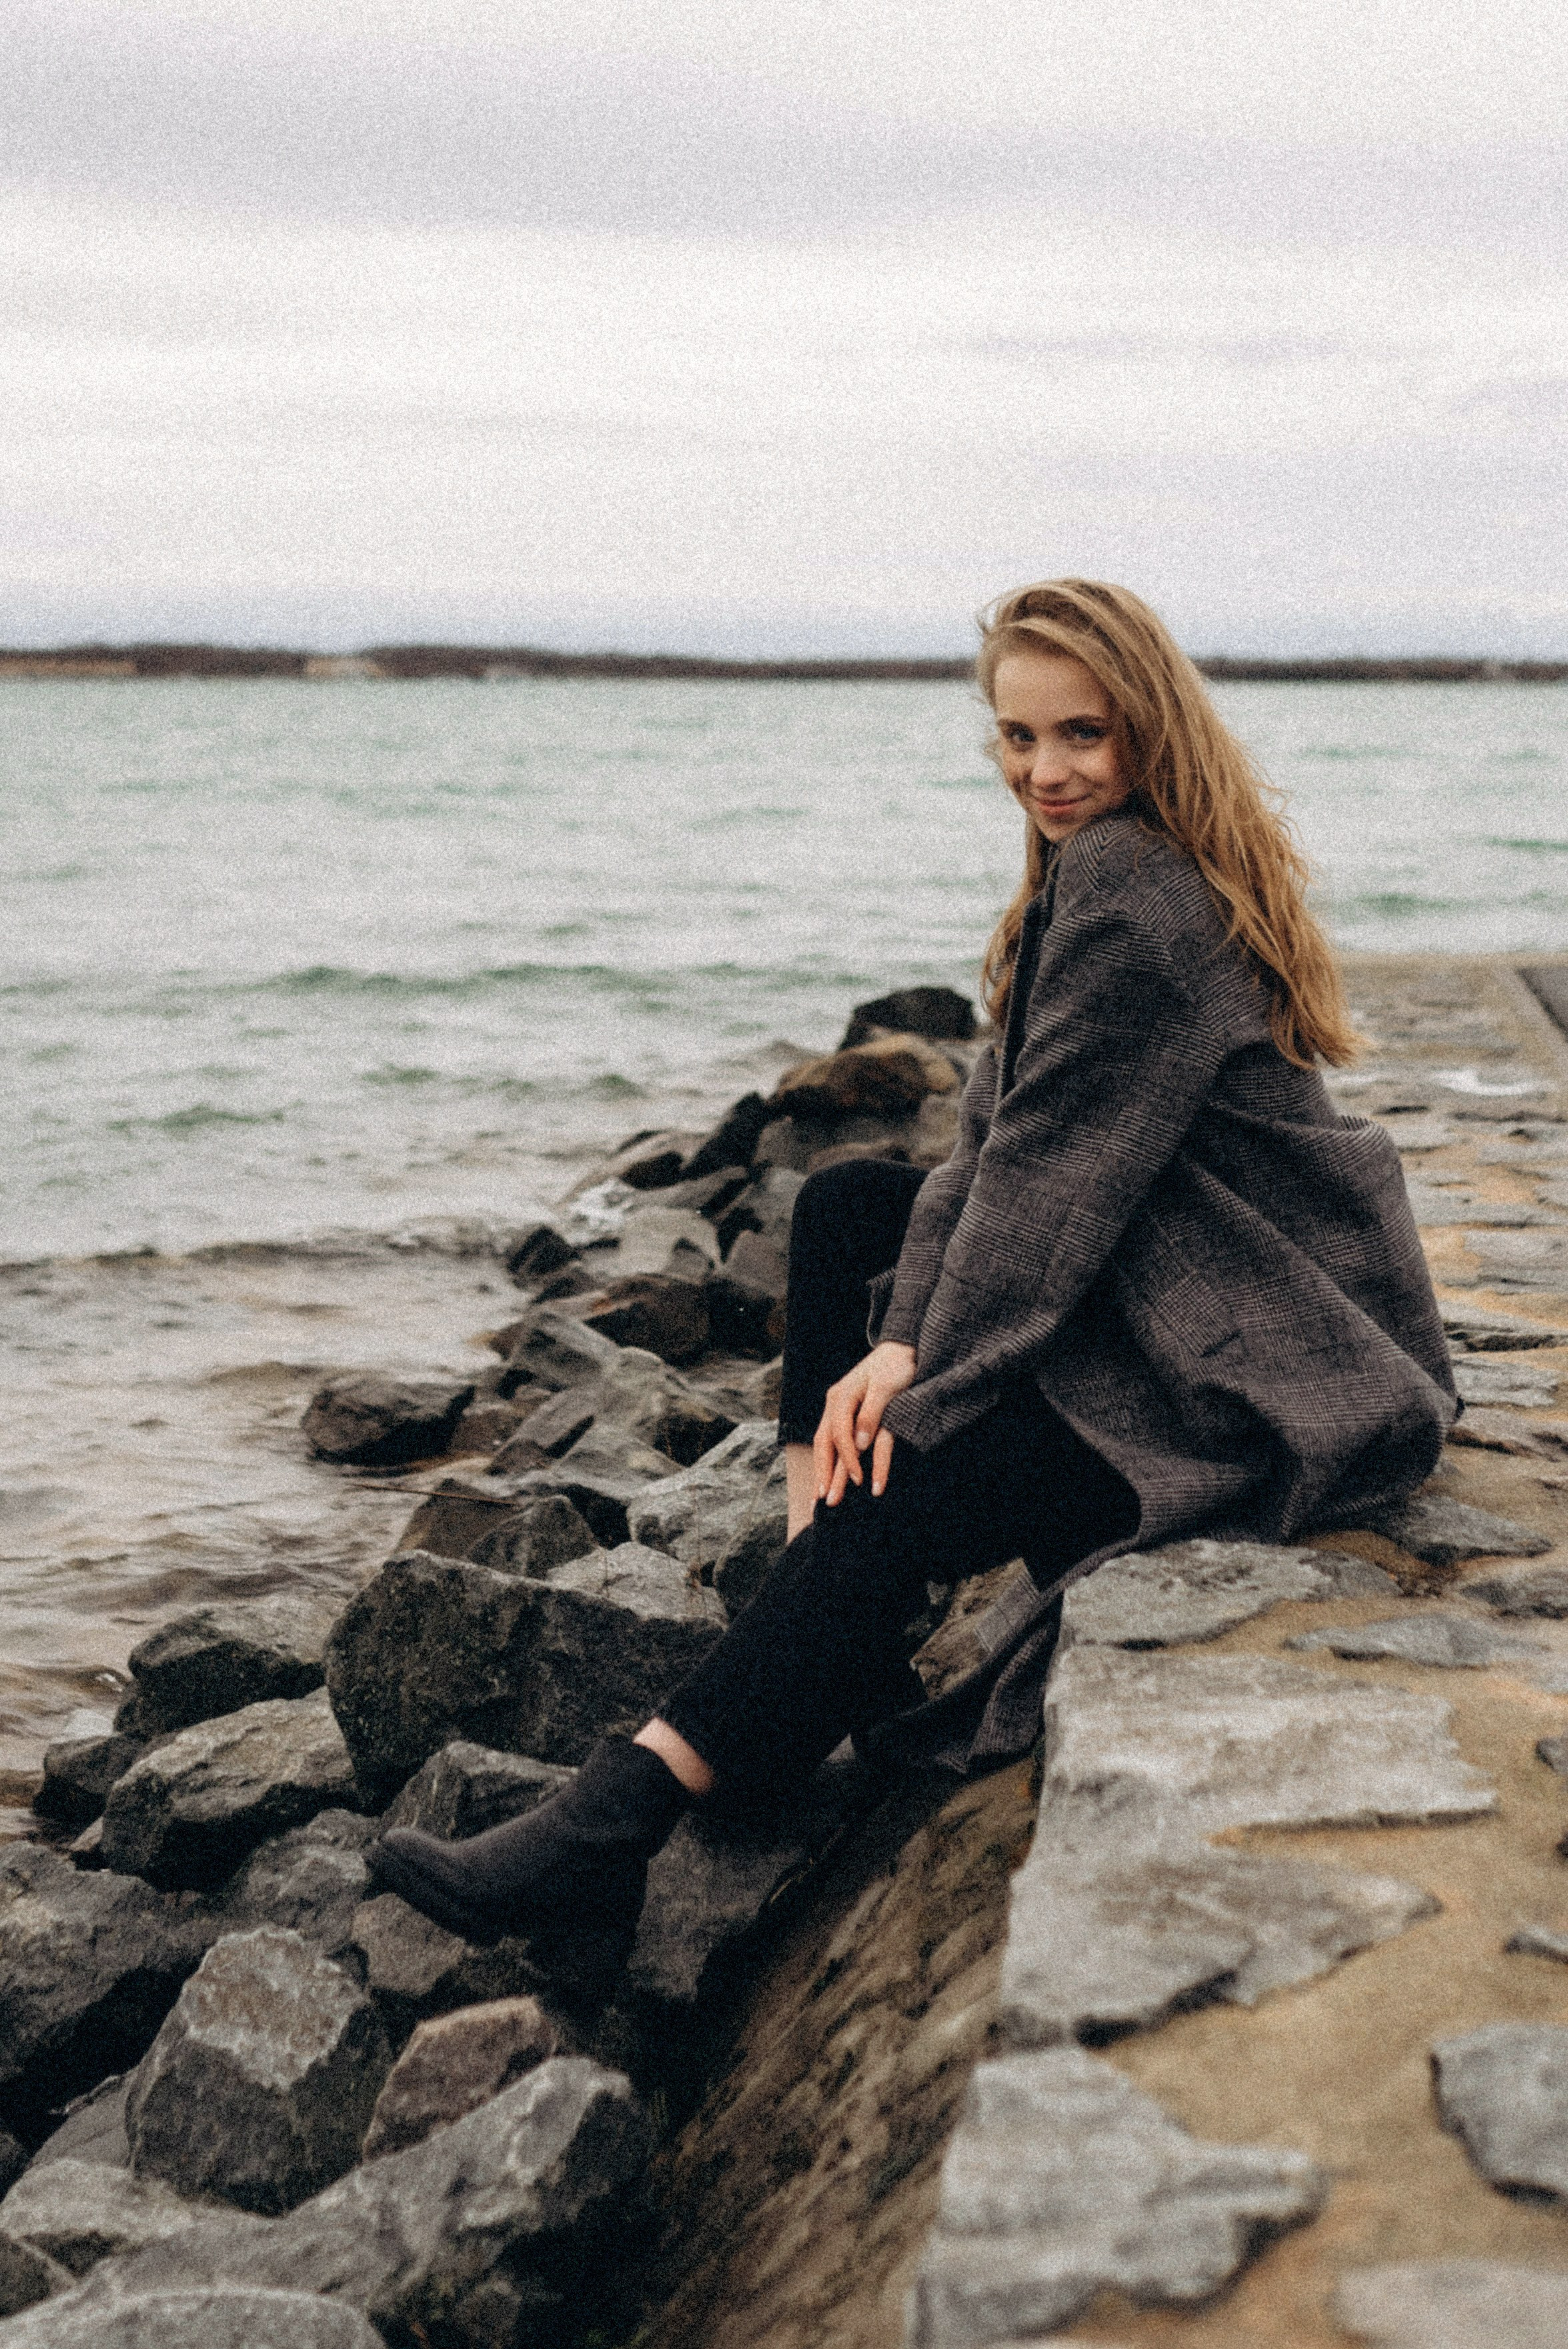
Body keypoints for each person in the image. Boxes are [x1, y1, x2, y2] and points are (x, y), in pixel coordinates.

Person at [368, 578, 1456, 1986]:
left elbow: (1052, 1188)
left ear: (1152, 727)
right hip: (1176, 1289)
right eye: (1017, 737)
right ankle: (832, 1635)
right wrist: (897, 1335)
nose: (1047, 771)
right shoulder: (1093, 868)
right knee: (846, 1210)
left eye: (1083, 734)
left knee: (917, 1446)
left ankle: (617, 1817)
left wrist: (919, 1365)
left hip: (1260, 1366)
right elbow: (985, 1155)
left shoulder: (1137, 900)